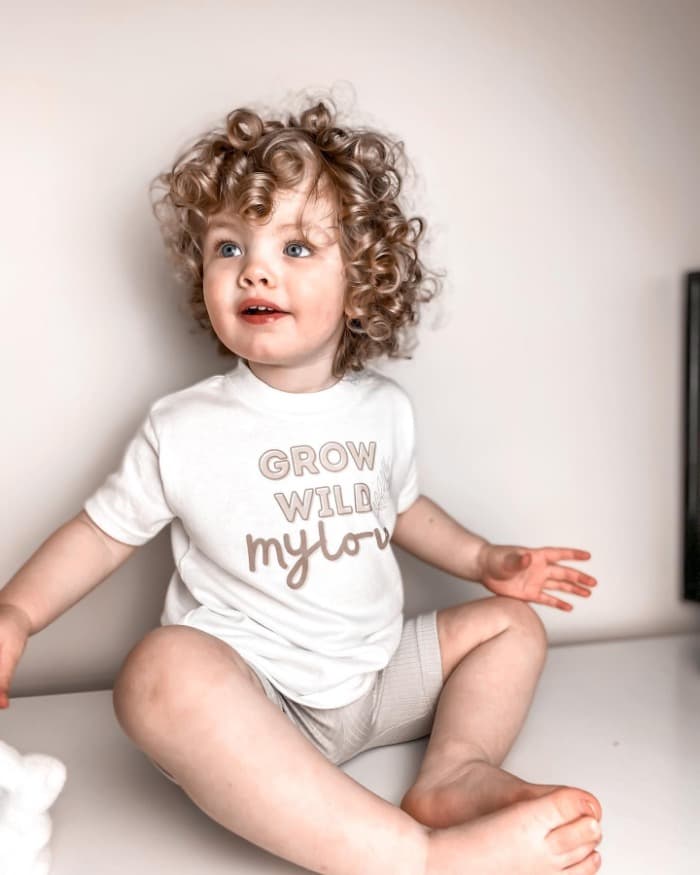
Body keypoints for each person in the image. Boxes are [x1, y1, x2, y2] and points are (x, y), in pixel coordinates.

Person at [0, 95, 603, 875]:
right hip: (262, 701)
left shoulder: (383, 409)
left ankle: (454, 773)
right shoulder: (184, 427)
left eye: (294, 247)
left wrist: (485, 560)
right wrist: (16, 612)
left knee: (513, 626)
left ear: (361, 284)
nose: (253, 267)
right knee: (156, 672)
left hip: (378, 676)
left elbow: (403, 508)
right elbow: (98, 534)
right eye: (228, 247)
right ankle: (413, 856)